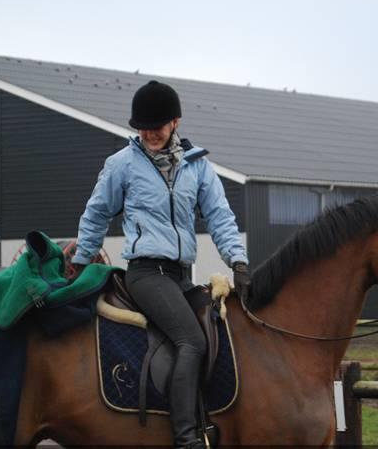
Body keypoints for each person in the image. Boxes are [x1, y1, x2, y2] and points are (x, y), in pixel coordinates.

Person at [71, 80, 251, 449]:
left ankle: (210, 415)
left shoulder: (199, 167)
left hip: (183, 276)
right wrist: (80, 258)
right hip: (146, 273)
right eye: (143, 127)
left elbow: (220, 216)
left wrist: (238, 261)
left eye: (157, 125)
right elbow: (97, 214)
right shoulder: (122, 164)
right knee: (191, 340)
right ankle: (186, 439)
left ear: (176, 122)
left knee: (222, 331)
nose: (150, 133)